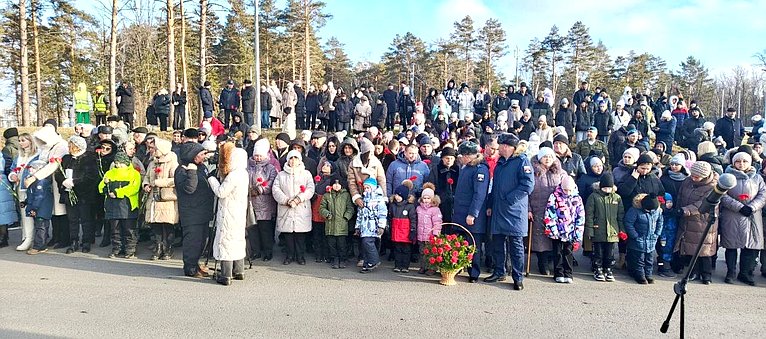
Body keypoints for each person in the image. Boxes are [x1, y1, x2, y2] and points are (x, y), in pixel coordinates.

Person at [487, 133, 533, 290]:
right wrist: (490, 204)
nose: (498, 148)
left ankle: (517, 277)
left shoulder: (522, 161)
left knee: (516, 246)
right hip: (499, 209)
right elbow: (495, 186)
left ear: (507, 147)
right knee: (498, 243)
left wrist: (510, 198)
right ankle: (499, 271)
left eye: (500, 145)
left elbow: (527, 185)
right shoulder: (500, 163)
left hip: (514, 211)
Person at [719, 152, 765, 286]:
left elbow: (763, 194)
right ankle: (731, 272)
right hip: (733, 215)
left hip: (752, 215)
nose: (741, 164)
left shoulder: (757, 178)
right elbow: (722, 195)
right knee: (731, 245)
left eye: (745, 161)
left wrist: (752, 207)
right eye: (738, 161)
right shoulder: (727, 176)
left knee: (750, 246)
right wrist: (739, 207)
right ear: (733, 163)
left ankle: (745, 273)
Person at [207, 144, 249, 286]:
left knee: (226, 240)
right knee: (237, 239)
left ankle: (226, 275)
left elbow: (221, 192)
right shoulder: (244, 173)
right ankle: (239, 270)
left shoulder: (233, 175)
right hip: (239, 211)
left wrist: (212, 180)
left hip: (228, 210)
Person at [175, 142, 215, 278]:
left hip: (203, 211)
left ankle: (196, 263)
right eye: (202, 154)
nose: (204, 156)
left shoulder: (201, 167)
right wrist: (191, 171)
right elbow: (189, 189)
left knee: (202, 241)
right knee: (193, 242)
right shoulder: (181, 170)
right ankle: (190, 268)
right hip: (191, 213)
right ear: (192, 155)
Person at [451, 141, 489, 282]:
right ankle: (459, 267)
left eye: (462, 155)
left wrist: (473, 213)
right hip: (460, 211)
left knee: (473, 244)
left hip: (471, 214)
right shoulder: (466, 167)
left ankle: (474, 272)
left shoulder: (480, 169)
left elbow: (479, 194)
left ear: (468, 156)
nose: (460, 158)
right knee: (461, 242)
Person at [675, 161, 718, 284]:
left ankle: (706, 275)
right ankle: (693, 271)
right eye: (692, 175)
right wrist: (679, 209)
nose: (694, 178)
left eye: (697, 177)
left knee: (704, 249)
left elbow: (703, 203)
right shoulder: (687, 181)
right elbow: (680, 196)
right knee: (689, 247)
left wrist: (686, 210)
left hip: (704, 221)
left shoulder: (713, 186)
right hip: (687, 219)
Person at [58, 136, 100, 254]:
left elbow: (91, 177)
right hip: (69, 193)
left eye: (70, 145)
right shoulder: (66, 159)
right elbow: (59, 173)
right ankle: (74, 241)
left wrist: (75, 182)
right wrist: (63, 181)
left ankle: (86, 242)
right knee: (72, 219)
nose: (68, 148)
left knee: (86, 219)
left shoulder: (89, 158)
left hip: (84, 194)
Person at [529, 147, 567, 275]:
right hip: (537, 208)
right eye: (545, 157)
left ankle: (554, 262)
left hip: (556, 211)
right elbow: (526, 192)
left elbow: (568, 188)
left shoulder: (560, 173)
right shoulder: (532, 172)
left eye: (550, 157)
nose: (548, 159)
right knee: (539, 237)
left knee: (553, 236)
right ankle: (542, 262)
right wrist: (528, 209)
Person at [273, 150, 314, 265]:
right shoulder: (281, 175)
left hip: (301, 207)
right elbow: (276, 189)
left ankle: (300, 256)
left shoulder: (306, 174)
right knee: (288, 235)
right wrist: (286, 200)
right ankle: (289, 255)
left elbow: (310, 189)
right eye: (291, 158)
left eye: (296, 158)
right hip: (286, 207)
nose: (293, 161)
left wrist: (299, 199)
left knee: (300, 235)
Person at [99, 152, 141, 259]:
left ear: (126, 162)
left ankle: (129, 249)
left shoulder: (134, 174)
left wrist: (118, 192)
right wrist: (105, 188)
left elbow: (134, 189)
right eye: (116, 162)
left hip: (128, 206)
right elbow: (100, 187)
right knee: (115, 230)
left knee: (129, 229)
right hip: (112, 205)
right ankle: (116, 249)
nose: (118, 165)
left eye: (120, 163)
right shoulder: (109, 173)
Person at [544, 176, 585, 283]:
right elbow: (550, 213)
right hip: (557, 230)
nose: (567, 192)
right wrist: (553, 229)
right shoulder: (554, 197)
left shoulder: (577, 199)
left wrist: (578, 232)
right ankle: (558, 273)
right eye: (565, 190)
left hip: (571, 231)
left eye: (569, 190)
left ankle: (568, 274)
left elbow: (580, 216)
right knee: (557, 252)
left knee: (568, 252)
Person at [143, 139, 179, 260]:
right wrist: (146, 184)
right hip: (153, 197)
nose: (151, 150)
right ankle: (158, 248)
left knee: (167, 225)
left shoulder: (172, 162)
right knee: (156, 225)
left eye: (153, 148)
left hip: (166, 199)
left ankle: (168, 248)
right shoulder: (152, 163)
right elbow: (147, 176)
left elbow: (175, 179)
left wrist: (158, 182)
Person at [585, 173, 625, 282]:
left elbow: (620, 215)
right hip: (598, 229)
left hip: (612, 231)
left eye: (609, 187)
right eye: (605, 187)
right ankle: (597, 269)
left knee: (610, 252)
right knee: (598, 252)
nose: (607, 190)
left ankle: (608, 269)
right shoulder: (594, 197)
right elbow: (589, 214)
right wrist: (590, 230)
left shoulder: (617, 198)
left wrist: (622, 230)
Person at [246, 139, 278, 261]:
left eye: (260, 155)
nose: (258, 158)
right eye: (256, 155)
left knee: (265, 229)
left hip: (265, 203)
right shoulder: (249, 167)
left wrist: (260, 190)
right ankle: (256, 251)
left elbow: (271, 182)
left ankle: (268, 251)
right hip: (251, 202)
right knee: (253, 228)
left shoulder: (270, 168)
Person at [625, 194, 663, 284]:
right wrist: (635, 236)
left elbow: (660, 222)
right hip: (638, 240)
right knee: (639, 260)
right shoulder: (634, 211)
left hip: (651, 240)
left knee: (649, 260)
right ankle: (640, 276)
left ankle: (648, 274)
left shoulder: (657, 211)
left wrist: (657, 234)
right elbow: (628, 223)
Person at [320, 178, 354, 269]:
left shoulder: (346, 195)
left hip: (342, 224)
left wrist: (346, 217)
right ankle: (334, 259)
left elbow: (350, 208)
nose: (336, 185)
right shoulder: (327, 195)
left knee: (342, 244)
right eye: (334, 183)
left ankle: (342, 259)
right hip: (330, 225)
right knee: (332, 244)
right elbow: (322, 207)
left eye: (338, 183)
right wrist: (327, 214)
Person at [355, 178, 387, 273]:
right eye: (365, 188)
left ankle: (374, 260)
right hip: (364, 227)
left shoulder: (379, 199)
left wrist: (381, 226)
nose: (366, 190)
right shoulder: (363, 199)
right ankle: (367, 263)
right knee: (365, 245)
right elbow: (360, 215)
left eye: (368, 187)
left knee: (367, 242)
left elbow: (382, 213)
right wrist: (358, 227)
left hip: (374, 226)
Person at [20, 160, 50, 254]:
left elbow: (39, 197)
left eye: (33, 168)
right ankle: (41, 244)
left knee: (41, 227)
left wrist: (34, 208)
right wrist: (25, 202)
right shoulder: (34, 181)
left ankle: (39, 246)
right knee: (39, 226)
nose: (31, 170)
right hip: (37, 208)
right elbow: (31, 195)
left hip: (41, 208)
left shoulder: (41, 182)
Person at [388, 180, 417, 272]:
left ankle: (405, 266)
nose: (397, 197)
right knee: (397, 249)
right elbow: (390, 218)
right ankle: (397, 265)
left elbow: (413, 219)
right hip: (396, 231)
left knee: (406, 250)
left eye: (399, 196)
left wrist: (413, 230)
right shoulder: (392, 206)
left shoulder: (410, 206)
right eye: (396, 195)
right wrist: (389, 228)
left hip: (406, 232)